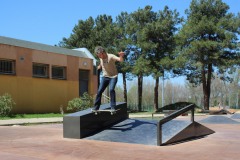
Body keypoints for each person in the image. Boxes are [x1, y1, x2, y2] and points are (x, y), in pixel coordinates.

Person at [92, 46, 124, 112]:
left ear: (103, 53)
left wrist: (121, 56)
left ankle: (113, 107)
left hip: (113, 76)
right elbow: (102, 63)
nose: (99, 57)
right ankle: (96, 107)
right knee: (99, 91)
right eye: (98, 56)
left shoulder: (111, 56)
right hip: (105, 77)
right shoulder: (101, 58)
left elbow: (120, 60)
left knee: (111, 89)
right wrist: (99, 66)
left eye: (99, 55)